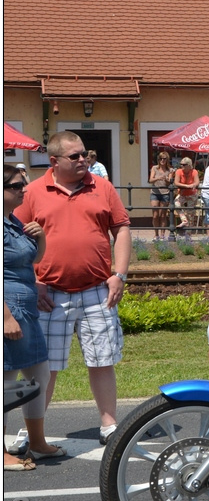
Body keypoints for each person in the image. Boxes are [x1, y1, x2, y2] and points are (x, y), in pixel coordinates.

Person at [13, 131, 131, 445]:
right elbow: (13, 238)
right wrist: (33, 281)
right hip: (48, 295)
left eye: (85, 154)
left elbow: (121, 228)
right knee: (43, 367)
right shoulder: (33, 191)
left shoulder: (102, 186)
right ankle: (32, 431)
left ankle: (109, 425)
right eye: (75, 156)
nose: (84, 160)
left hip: (97, 292)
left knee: (102, 360)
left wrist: (119, 274)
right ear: (54, 161)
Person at [4, 165, 65, 470]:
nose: (23, 189)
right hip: (8, 310)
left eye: (23, 185)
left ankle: (37, 442)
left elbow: (35, 259)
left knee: (38, 375)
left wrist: (40, 237)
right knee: (5, 382)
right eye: (16, 186)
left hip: (25, 309)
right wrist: (5, 317)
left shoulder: (13, 222)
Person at [148, 152, 174, 241]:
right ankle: (156, 235)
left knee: (163, 215)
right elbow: (150, 180)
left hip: (165, 193)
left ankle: (162, 235)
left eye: (164, 159)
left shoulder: (170, 170)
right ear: (158, 160)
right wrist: (158, 178)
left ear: (167, 160)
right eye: (160, 159)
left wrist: (167, 179)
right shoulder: (154, 168)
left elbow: (170, 182)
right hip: (155, 192)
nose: (162, 160)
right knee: (155, 215)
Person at [173, 157, 200, 233]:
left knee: (190, 214)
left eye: (184, 165)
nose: (182, 166)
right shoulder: (179, 171)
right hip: (182, 193)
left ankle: (189, 234)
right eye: (181, 164)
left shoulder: (194, 171)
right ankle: (184, 220)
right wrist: (187, 186)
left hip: (192, 194)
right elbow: (176, 182)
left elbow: (197, 182)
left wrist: (193, 185)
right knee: (176, 204)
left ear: (189, 165)